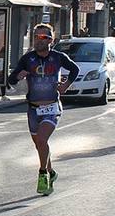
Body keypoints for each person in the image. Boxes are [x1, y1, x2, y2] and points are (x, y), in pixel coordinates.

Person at [6, 24, 79, 196]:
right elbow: (11, 79)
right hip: (33, 109)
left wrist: (66, 85)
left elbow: (75, 69)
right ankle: (52, 172)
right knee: (40, 145)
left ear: (50, 40)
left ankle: (42, 174)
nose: (39, 40)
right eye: (36, 37)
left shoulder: (58, 57)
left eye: (43, 37)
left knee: (42, 139)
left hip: (52, 107)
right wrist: (18, 76)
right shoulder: (27, 59)